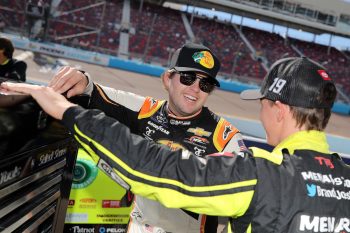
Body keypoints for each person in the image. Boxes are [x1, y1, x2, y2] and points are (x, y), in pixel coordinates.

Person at [3, 56, 349, 233]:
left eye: (262, 104)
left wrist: (65, 111)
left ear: (279, 109)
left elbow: (149, 168)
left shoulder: (260, 174)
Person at [49, 42, 246, 233]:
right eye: (188, 78)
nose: (196, 88)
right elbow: (94, 92)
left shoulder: (225, 136)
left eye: (205, 84)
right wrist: (81, 78)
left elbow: (248, 198)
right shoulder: (144, 110)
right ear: (167, 79)